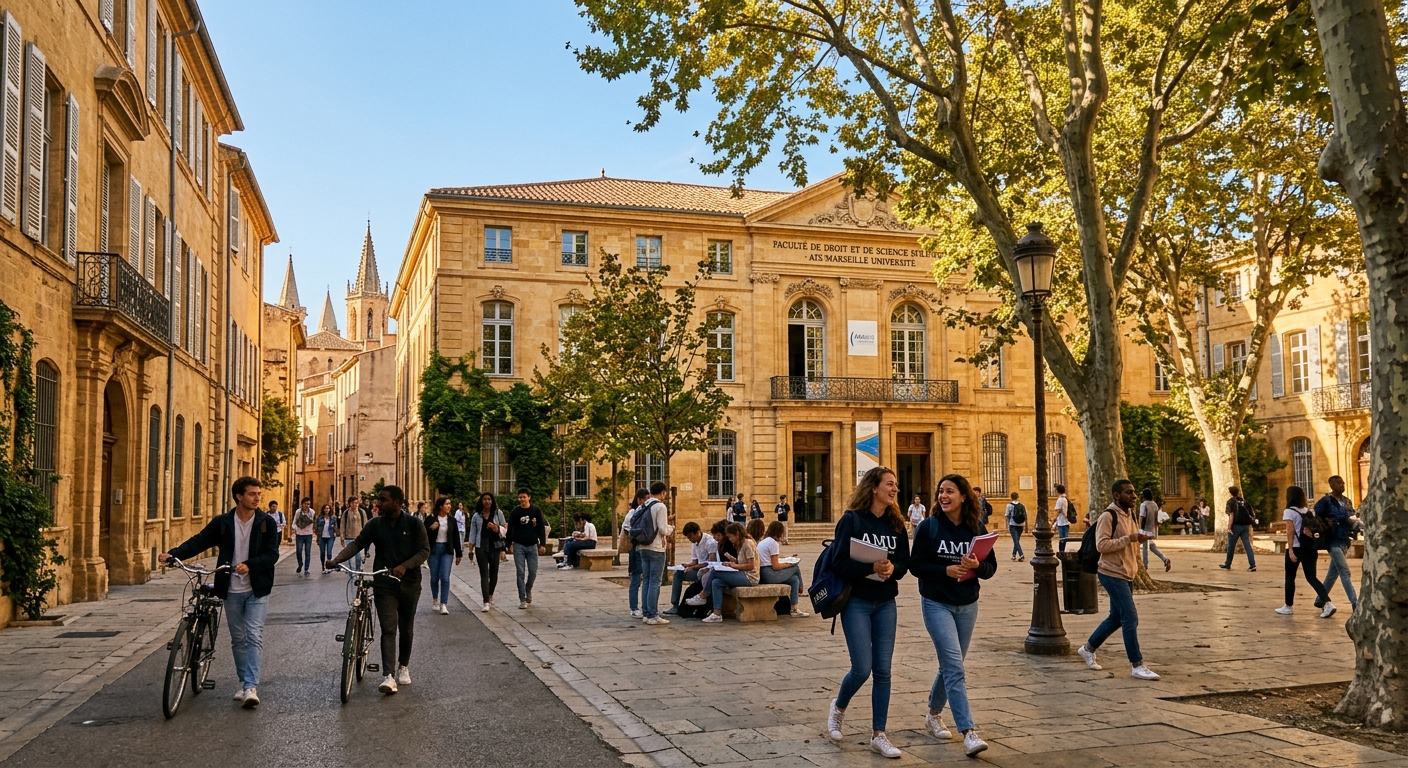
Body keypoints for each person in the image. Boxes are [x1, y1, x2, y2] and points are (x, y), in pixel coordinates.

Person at [160, 476, 279, 708]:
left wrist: (250, 565)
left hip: (257, 589)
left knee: (254, 635)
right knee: (238, 639)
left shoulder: (266, 523)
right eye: (252, 494)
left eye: (259, 493)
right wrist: (174, 554)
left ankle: (250, 687)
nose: (258, 498)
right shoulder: (223, 523)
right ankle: (245, 683)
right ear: (239, 497)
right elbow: (200, 541)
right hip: (231, 589)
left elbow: (272, 554)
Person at [824, 466, 911, 759]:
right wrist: (869, 567)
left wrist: (891, 568)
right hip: (857, 602)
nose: (895, 489)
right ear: (873, 488)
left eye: (895, 485)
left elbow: (904, 562)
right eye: (890, 484)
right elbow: (837, 562)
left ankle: (879, 734)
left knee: (883, 670)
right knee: (862, 668)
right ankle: (838, 707)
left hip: (886, 602)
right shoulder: (851, 520)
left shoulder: (896, 523)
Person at [909, 474, 996, 757]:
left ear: (963, 497)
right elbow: (916, 565)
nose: (943, 496)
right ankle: (969, 732)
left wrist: (976, 565)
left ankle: (933, 714)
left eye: (949, 491)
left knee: (950, 664)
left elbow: (990, 568)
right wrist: (943, 571)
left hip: (968, 604)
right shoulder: (929, 527)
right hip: (936, 603)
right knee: (955, 667)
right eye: (940, 492)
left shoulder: (976, 527)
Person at [327, 486, 428, 694]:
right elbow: (357, 544)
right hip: (383, 583)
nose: (378, 504)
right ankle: (388, 676)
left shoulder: (414, 524)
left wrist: (405, 566)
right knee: (389, 628)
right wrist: (337, 560)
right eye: (378, 500)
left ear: (398, 503)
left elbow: (424, 550)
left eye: (383, 500)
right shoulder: (375, 524)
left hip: (409, 583)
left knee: (406, 628)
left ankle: (403, 667)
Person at [1077, 479, 1160, 681]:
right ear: (1117, 495)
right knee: (1130, 618)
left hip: (1127, 572)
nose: (1133, 495)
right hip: (1111, 573)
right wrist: (1129, 539)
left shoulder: (1129, 514)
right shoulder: (1108, 515)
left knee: (1116, 617)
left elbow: (1130, 538)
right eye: (1128, 492)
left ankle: (1088, 649)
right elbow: (1102, 545)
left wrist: (1139, 538)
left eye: (1134, 492)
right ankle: (1137, 665)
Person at [1277, 485, 1336, 617]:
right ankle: (1327, 603)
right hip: (1310, 547)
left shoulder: (1289, 511)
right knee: (1311, 577)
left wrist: (1291, 550)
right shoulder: (1309, 511)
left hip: (1297, 547)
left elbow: (1290, 532)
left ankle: (1288, 606)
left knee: (1290, 578)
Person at [691, 522, 759, 623]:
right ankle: (717, 613)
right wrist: (733, 561)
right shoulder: (740, 544)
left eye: (731, 537)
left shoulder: (747, 543)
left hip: (750, 577)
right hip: (743, 573)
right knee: (716, 582)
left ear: (737, 534)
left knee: (715, 571)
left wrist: (734, 565)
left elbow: (750, 565)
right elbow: (742, 562)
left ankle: (703, 595)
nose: (730, 539)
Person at [1314, 476, 1358, 611]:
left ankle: (1320, 599)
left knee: (1333, 573)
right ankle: (1355, 602)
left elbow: (1351, 517)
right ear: (1331, 485)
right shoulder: (1326, 501)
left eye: (1343, 483)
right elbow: (1316, 516)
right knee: (1345, 571)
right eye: (1339, 483)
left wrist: (1356, 524)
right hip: (1332, 541)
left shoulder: (1347, 502)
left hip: (1345, 539)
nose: (1342, 485)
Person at [636, 481, 675, 625]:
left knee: (646, 580)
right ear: (663, 492)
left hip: (643, 546)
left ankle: (646, 613)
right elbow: (663, 529)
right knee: (655, 581)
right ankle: (652, 614)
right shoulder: (660, 506)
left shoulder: (644, 504)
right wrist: (672, 527)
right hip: (656, 547)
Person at [757, 521, 809, 617]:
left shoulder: (764, 541)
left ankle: (794, 608)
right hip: (769, 574)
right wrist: (788, 564)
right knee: (795, 567)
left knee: (794, 580)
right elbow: (775, 566)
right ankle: (801, 587)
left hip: (762, 573)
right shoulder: (773, 543)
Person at [665, 521, 717, 615]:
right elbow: (695, 561)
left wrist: (693, 567)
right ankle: (675, 605)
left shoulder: (710, 542)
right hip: (698, 569)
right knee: (678, 574)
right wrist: (688, 565)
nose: (689, 539)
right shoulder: (694, 542)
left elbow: (711, 563)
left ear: (697, 533)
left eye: (690, 536)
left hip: (706, 571)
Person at [466, 492, 506, 612]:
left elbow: (505, 529)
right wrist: (471, 547)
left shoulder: (498, 513)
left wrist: (496, 528)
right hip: (481, 546)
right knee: (484, 573)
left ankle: (490, 594)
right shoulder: (476, 516)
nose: (487, 501)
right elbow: (473, 532)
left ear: (492, 501)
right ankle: (485, 601)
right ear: (481, 501)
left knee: (494, 572)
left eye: (489, 499)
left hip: (495, 545)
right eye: (485, 499)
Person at [507, 489, 547, 609]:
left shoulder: (535, 510)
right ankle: (522, 598)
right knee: (520, 572)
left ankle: (527, 589)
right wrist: (508, 544)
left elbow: (540, 527)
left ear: (529, 497)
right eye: (520, 497)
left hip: (532, 545)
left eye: (524, 497)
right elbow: (510, 528)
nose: (522, 499)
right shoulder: (516, 511)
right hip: (519, 545)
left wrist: (543, 544)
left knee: (533, 571)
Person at [425, 496, 462, 615]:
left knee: (445, 577)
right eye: (447, 504)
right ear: (440, 506)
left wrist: (459, 554)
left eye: (450, 504)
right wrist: (431, 529)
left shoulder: (451, 520)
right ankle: (435, 599)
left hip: (447, 549)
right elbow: (423, 534)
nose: (449, 506)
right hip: (434, 549)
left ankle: (443, 604)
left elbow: (456, 536)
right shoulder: (431, 518)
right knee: (435, 577)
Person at [623, 488, 651, 619]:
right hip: (636, 548)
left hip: (644, 548)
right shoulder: (633, 512)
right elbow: (627, 528)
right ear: (639, 500)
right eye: (645, 499)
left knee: (646, 578)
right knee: (635, 578)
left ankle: (646, 606)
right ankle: (634, 608)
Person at [1219, 486, 1257, 572]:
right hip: (1245, 526)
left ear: (1230, 493)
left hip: (1235, 526)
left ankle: (1228, 563)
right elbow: (1251, 514)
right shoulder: (1244, 501)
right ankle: (1252, 564)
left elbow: (1231, 515)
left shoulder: (1230, 502)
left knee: (1231, 546)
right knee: (1247, 545)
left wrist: (1229, 527)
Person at [1138, 489, 1171, 572]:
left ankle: (1145, 565)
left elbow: (1141, 517)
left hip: (1145, 529)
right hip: (1153, 529)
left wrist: (1138, 528)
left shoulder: (1143, 505)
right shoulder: (1154, 504)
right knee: (1152, 547)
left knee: (1144, 548)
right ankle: (1164, 559)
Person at [340, 496, 369, 571]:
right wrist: (342, 537)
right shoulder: (346, 513)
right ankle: (352, 574)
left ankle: (358, 570)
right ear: (349, 503)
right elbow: (342, 525)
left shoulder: (362, 512)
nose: (355, 504)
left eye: (356, 503)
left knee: (359, 557)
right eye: (353, 503)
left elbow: (366, 524)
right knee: (350, 559)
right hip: (348, 538)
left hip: (359, 538)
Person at [292, 498, 316, 574]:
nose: (307, 506)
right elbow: (294, 522)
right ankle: (300, 564)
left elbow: (313, 522)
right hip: (299, 534)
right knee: (299, 551)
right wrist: (296, 528)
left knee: (307, 552)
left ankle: (306, 569)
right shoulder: (298, 512)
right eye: (305, 504)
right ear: (302, 504)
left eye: (308, 504)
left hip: (308, 534)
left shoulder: (312, 512)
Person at [315, 504, 340, 574]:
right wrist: (317, 535)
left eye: (328, 508)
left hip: (330, 537)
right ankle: (323, 565)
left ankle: (329, 566)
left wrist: (335, 531)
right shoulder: (319, 518)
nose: (327, 510)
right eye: (325, 508)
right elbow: (316, 527)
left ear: (330, 509)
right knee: (322, 553)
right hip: (322, 537)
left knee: (329, 552)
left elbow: (336, 527)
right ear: (323, 509)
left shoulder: (333, 518)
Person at [1005, 492, 1026, 562]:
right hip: (1021, 525)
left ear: (1011, 497)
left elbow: (1007, 516)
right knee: (1016, 541)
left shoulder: (1009, 506)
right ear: (1018, 497)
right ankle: (1013, 555)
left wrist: (1007, 525)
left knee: (1016, 541)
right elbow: (1025, 516)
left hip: (1013, 525)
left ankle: (1021, 554)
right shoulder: (1022, 505)